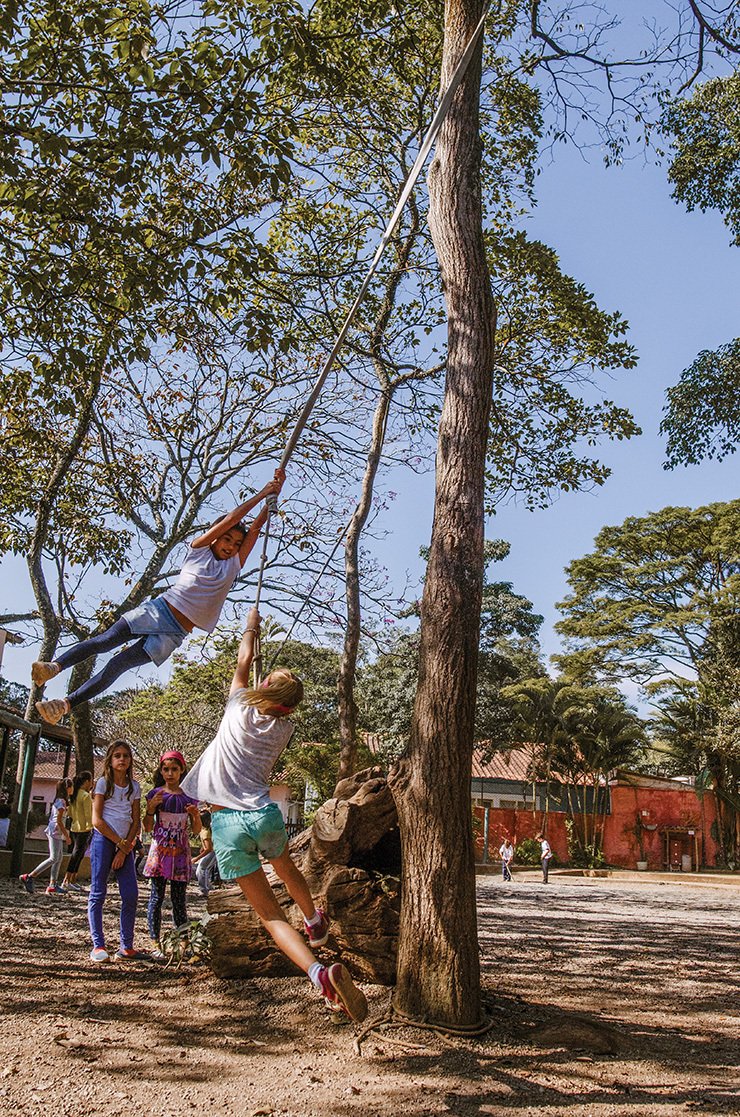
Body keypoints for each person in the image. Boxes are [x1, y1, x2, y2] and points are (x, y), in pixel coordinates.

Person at [181, 607, 368, 1023]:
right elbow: (259, 685)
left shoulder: (235, 708)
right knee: (286, 868)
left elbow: (243, 661)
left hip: (228, 822)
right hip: (264, 813)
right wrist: (266, 684)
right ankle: (315, 920)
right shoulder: (284, 729)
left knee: (268, 915)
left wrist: (251, 626)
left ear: (266, 689)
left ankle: (318, 974)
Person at [32, 470, 285, 724]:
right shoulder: (199, 550)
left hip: (174, 634)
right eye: (227, 538)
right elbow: (233, 519)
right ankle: (54, 666)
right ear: (215, 535)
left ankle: (64, 705)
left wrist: (275, 492)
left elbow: (254, 530)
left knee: (118, 666)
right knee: (106, 640)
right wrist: (261, 493)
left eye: (236, 543)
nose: (231, 545)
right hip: (159, 611)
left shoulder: (233, 565)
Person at [88, 740, 148, 963]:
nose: (122, 759)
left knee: (131, 894)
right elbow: (97, 820)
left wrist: (125, 848)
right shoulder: (103, 783)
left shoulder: (135, 787)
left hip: (126, 845)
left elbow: (135, 821)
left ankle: (127, 946)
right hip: (104, 841)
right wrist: (118, 843)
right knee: (98, 892)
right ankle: (98, 945)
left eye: (125, 755)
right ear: (110, 761)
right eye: (117, 756)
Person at [142, 750, 201, 959]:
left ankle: (183, 943)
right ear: (161, 770)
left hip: (180, 853)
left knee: (179, 900)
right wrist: (150, 809)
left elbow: (196, 831)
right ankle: (155, 942)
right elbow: (148, 827)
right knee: (156, 898)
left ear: (182, 770)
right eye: (166, 769)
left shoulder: (189, 797)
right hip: (159, 851)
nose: (170, 773)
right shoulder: (155, 794)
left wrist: (195, 816)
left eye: (174, 769)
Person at [20, 778, 72, 895]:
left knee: (59, 858)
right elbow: (58, 821)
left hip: (56, 832)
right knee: (54, 858)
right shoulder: (61, 802)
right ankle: (29, 876)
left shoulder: (61, 801)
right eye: (71, 786)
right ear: (67, 788)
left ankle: (52, 884)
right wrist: (67, 836)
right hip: (55, 831)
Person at [61, 770, 93, 892]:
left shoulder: (73, 795)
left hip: (74, 828)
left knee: (78, 855)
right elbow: (88, 814)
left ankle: (72, 880)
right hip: (84, 829)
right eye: (90, 781)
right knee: (76, 855)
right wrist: (91, 827)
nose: (91, 784)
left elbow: (70, 813)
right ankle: (67, 880)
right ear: (86, 782)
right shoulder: (85, 796)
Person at [192, 810, 217, 897]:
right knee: (205, 869)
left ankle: (204, 890)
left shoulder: (206, 832)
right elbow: (208, 844)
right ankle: (209, 887)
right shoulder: (204, 830)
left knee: (201, 870)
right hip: (212, 852)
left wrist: (197, 858)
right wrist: (203, 848)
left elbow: (209, 849)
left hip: (212, 852)